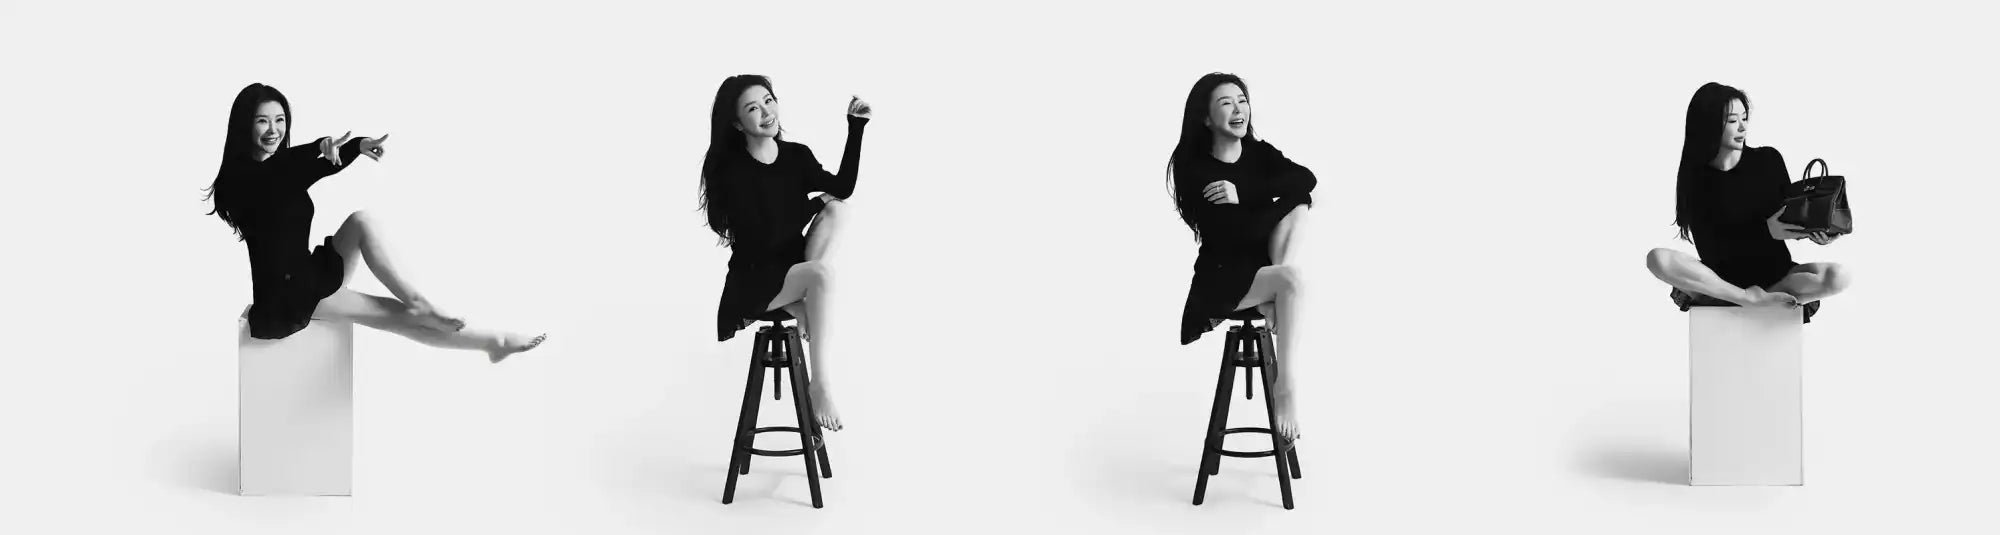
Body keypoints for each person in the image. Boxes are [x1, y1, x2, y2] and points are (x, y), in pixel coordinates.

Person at [204, 83, 546, 363]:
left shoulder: (282, 169)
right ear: (244, 125)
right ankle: (491, 341)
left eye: (279, 120)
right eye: (263, 121)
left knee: (361, 221)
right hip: (286, 298)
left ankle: (422, 305)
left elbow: (314, 166)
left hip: (307, 272)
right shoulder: (239, 180)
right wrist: (316, 148)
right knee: (399, 319)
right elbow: (283, 172)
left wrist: (355, 146)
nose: (274, 130)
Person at [699, 75, 872, 431]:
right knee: (821, 274)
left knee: (838, 209)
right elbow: (767, 237)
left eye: (768, 100)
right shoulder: (734, 172)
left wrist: (856, 127)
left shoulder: (796, 156)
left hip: (789, 269)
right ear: (737, 123)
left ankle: (800, 302)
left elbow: (842, 188)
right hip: (754, 279)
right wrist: (811, 206)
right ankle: (820, 384)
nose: (765, 112)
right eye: (752, 108)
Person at [1168, 73, 1315, 441]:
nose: (1238, 109)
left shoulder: (1258, 154)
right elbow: (1240, 234)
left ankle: (1273, 296)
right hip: (1221, 279)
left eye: (1242, 100)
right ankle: (1286, 388)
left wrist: (1245, 193)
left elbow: (1305, 180)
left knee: (1299, 205)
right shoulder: (1198, 170)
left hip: (1258, 268)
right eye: (1226, 103)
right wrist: (1257, 201)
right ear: (1206, 118)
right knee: (1291, 280)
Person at [1645, 82, 1851, 319]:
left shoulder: (1769, 160)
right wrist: (1766, 231)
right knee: (1657, 258)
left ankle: (1762, 300)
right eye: (1733, 121)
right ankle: (1747, 300)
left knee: (1839, 276)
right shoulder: (1697, 178)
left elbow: (1787, 215)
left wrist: (1814, 231)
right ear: (1708, 125)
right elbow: (1712, 248)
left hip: (1776, 277)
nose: (1742, 127)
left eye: (1745, 118)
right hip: (1721, 283)